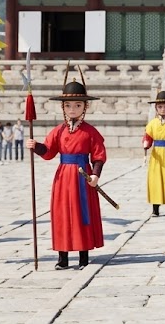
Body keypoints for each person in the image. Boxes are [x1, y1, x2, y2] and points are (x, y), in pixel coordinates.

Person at [26, 80, 107, 270]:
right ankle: (62, 258)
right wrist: (35, 146)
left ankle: (83, 256)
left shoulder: (90, 131)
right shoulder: (58, 131)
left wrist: (95, 175)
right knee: (62, 214)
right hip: (63, 177)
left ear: (85, 107)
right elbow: (48, 152)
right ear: (63, 107)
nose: (72, 109)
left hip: (82, 176)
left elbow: (98, 155)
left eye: (77, 105)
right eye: (68, 105)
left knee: (81, 214)